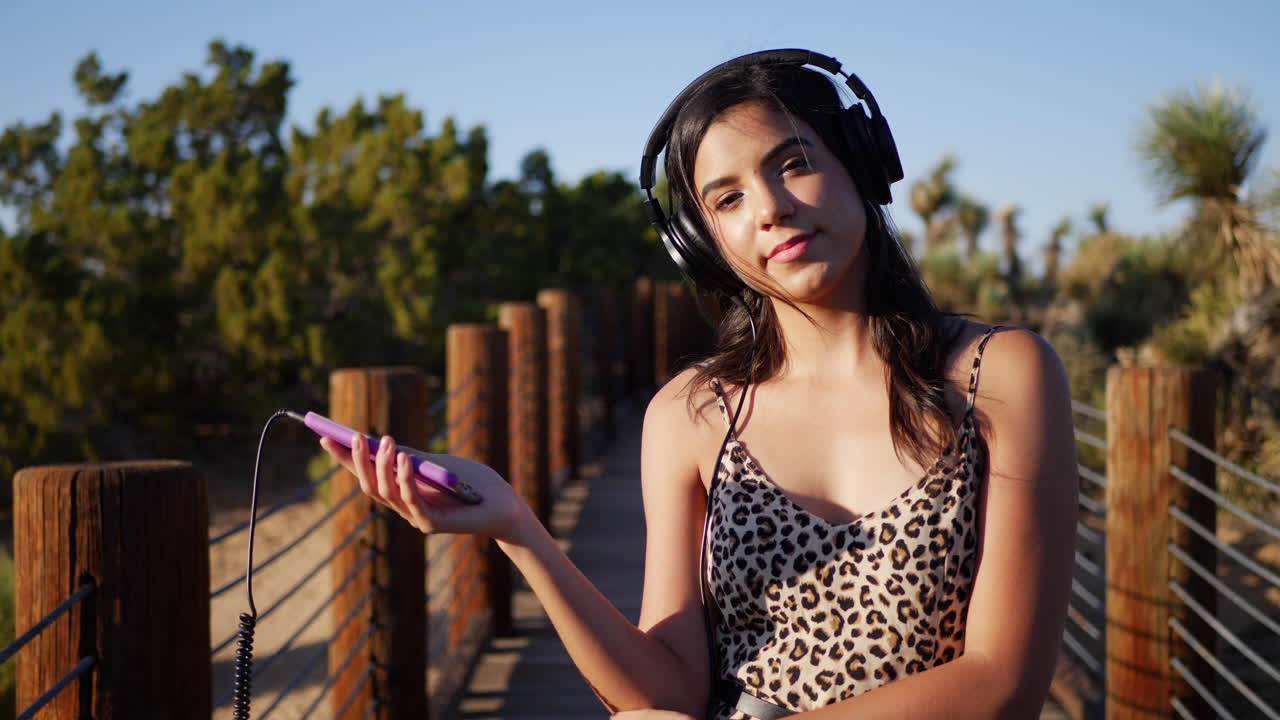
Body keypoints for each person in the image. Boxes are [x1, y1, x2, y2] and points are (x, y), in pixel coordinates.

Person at [319, 49, 1078, 719]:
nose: (772, 209)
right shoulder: (691, 415)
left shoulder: (1000, 375)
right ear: (704, 244)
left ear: (861, 160)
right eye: (728, 199)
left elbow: (1000, 684)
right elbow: (670, 690)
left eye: (794, 163)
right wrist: (519, 532)